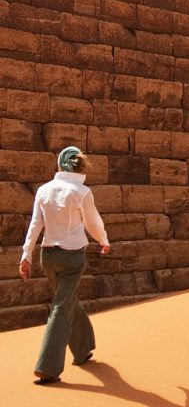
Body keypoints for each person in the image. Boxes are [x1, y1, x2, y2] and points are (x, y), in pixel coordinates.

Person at [18, 146, 110, 385]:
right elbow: (93, 222)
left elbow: (35, 225)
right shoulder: (81, 191)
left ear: (59, 164)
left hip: (47, 257)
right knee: (62, 306)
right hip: (72, 257)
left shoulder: (43, 190)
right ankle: (48, 368)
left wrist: (26, 256)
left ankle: (83, 348)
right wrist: (103, 240)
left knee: (65, 299)